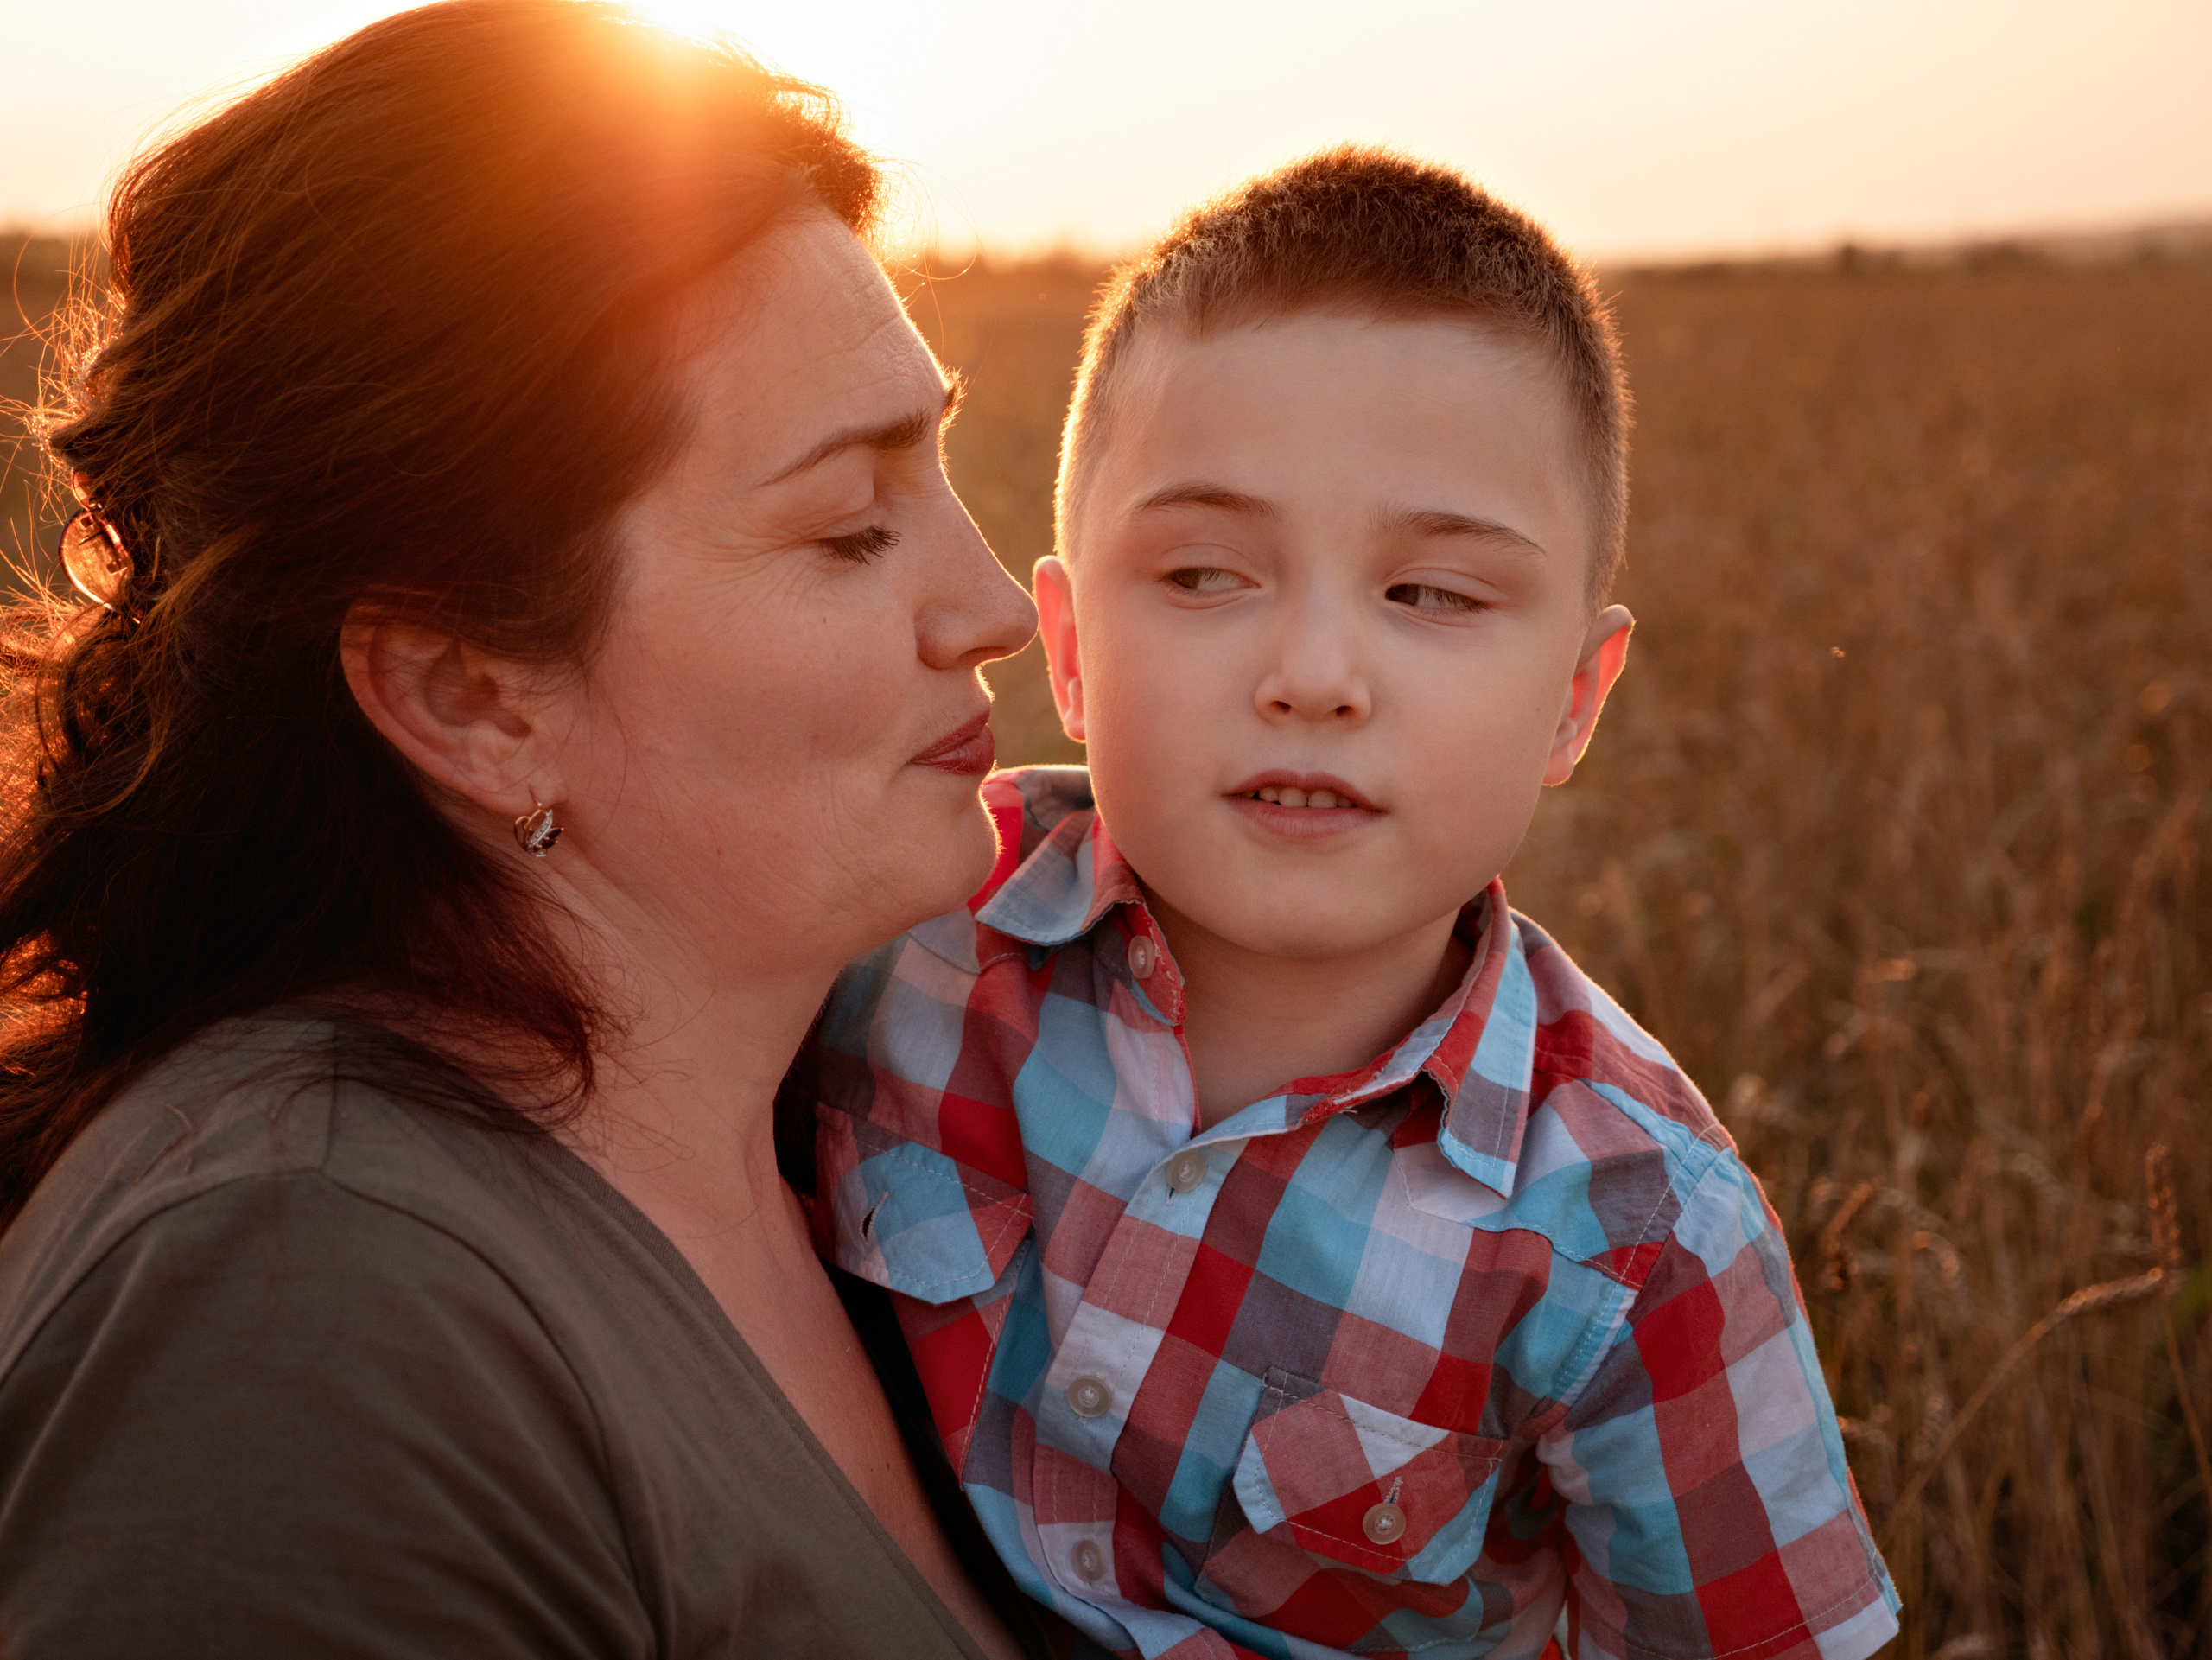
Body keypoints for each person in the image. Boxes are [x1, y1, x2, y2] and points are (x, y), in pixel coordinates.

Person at [0, 3, 1052, 1655]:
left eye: (937, 471)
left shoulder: (904, 1117)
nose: (992, 603)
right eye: (851, 529)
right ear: (470, 694)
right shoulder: (299, 1310)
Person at [804, 150, 1903, 1659]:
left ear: (1577, 702)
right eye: (1202, 573)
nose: (1313, 672)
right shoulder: (897, 931)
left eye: (1433, 595)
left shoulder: (1637, 1235)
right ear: (1067, 648)